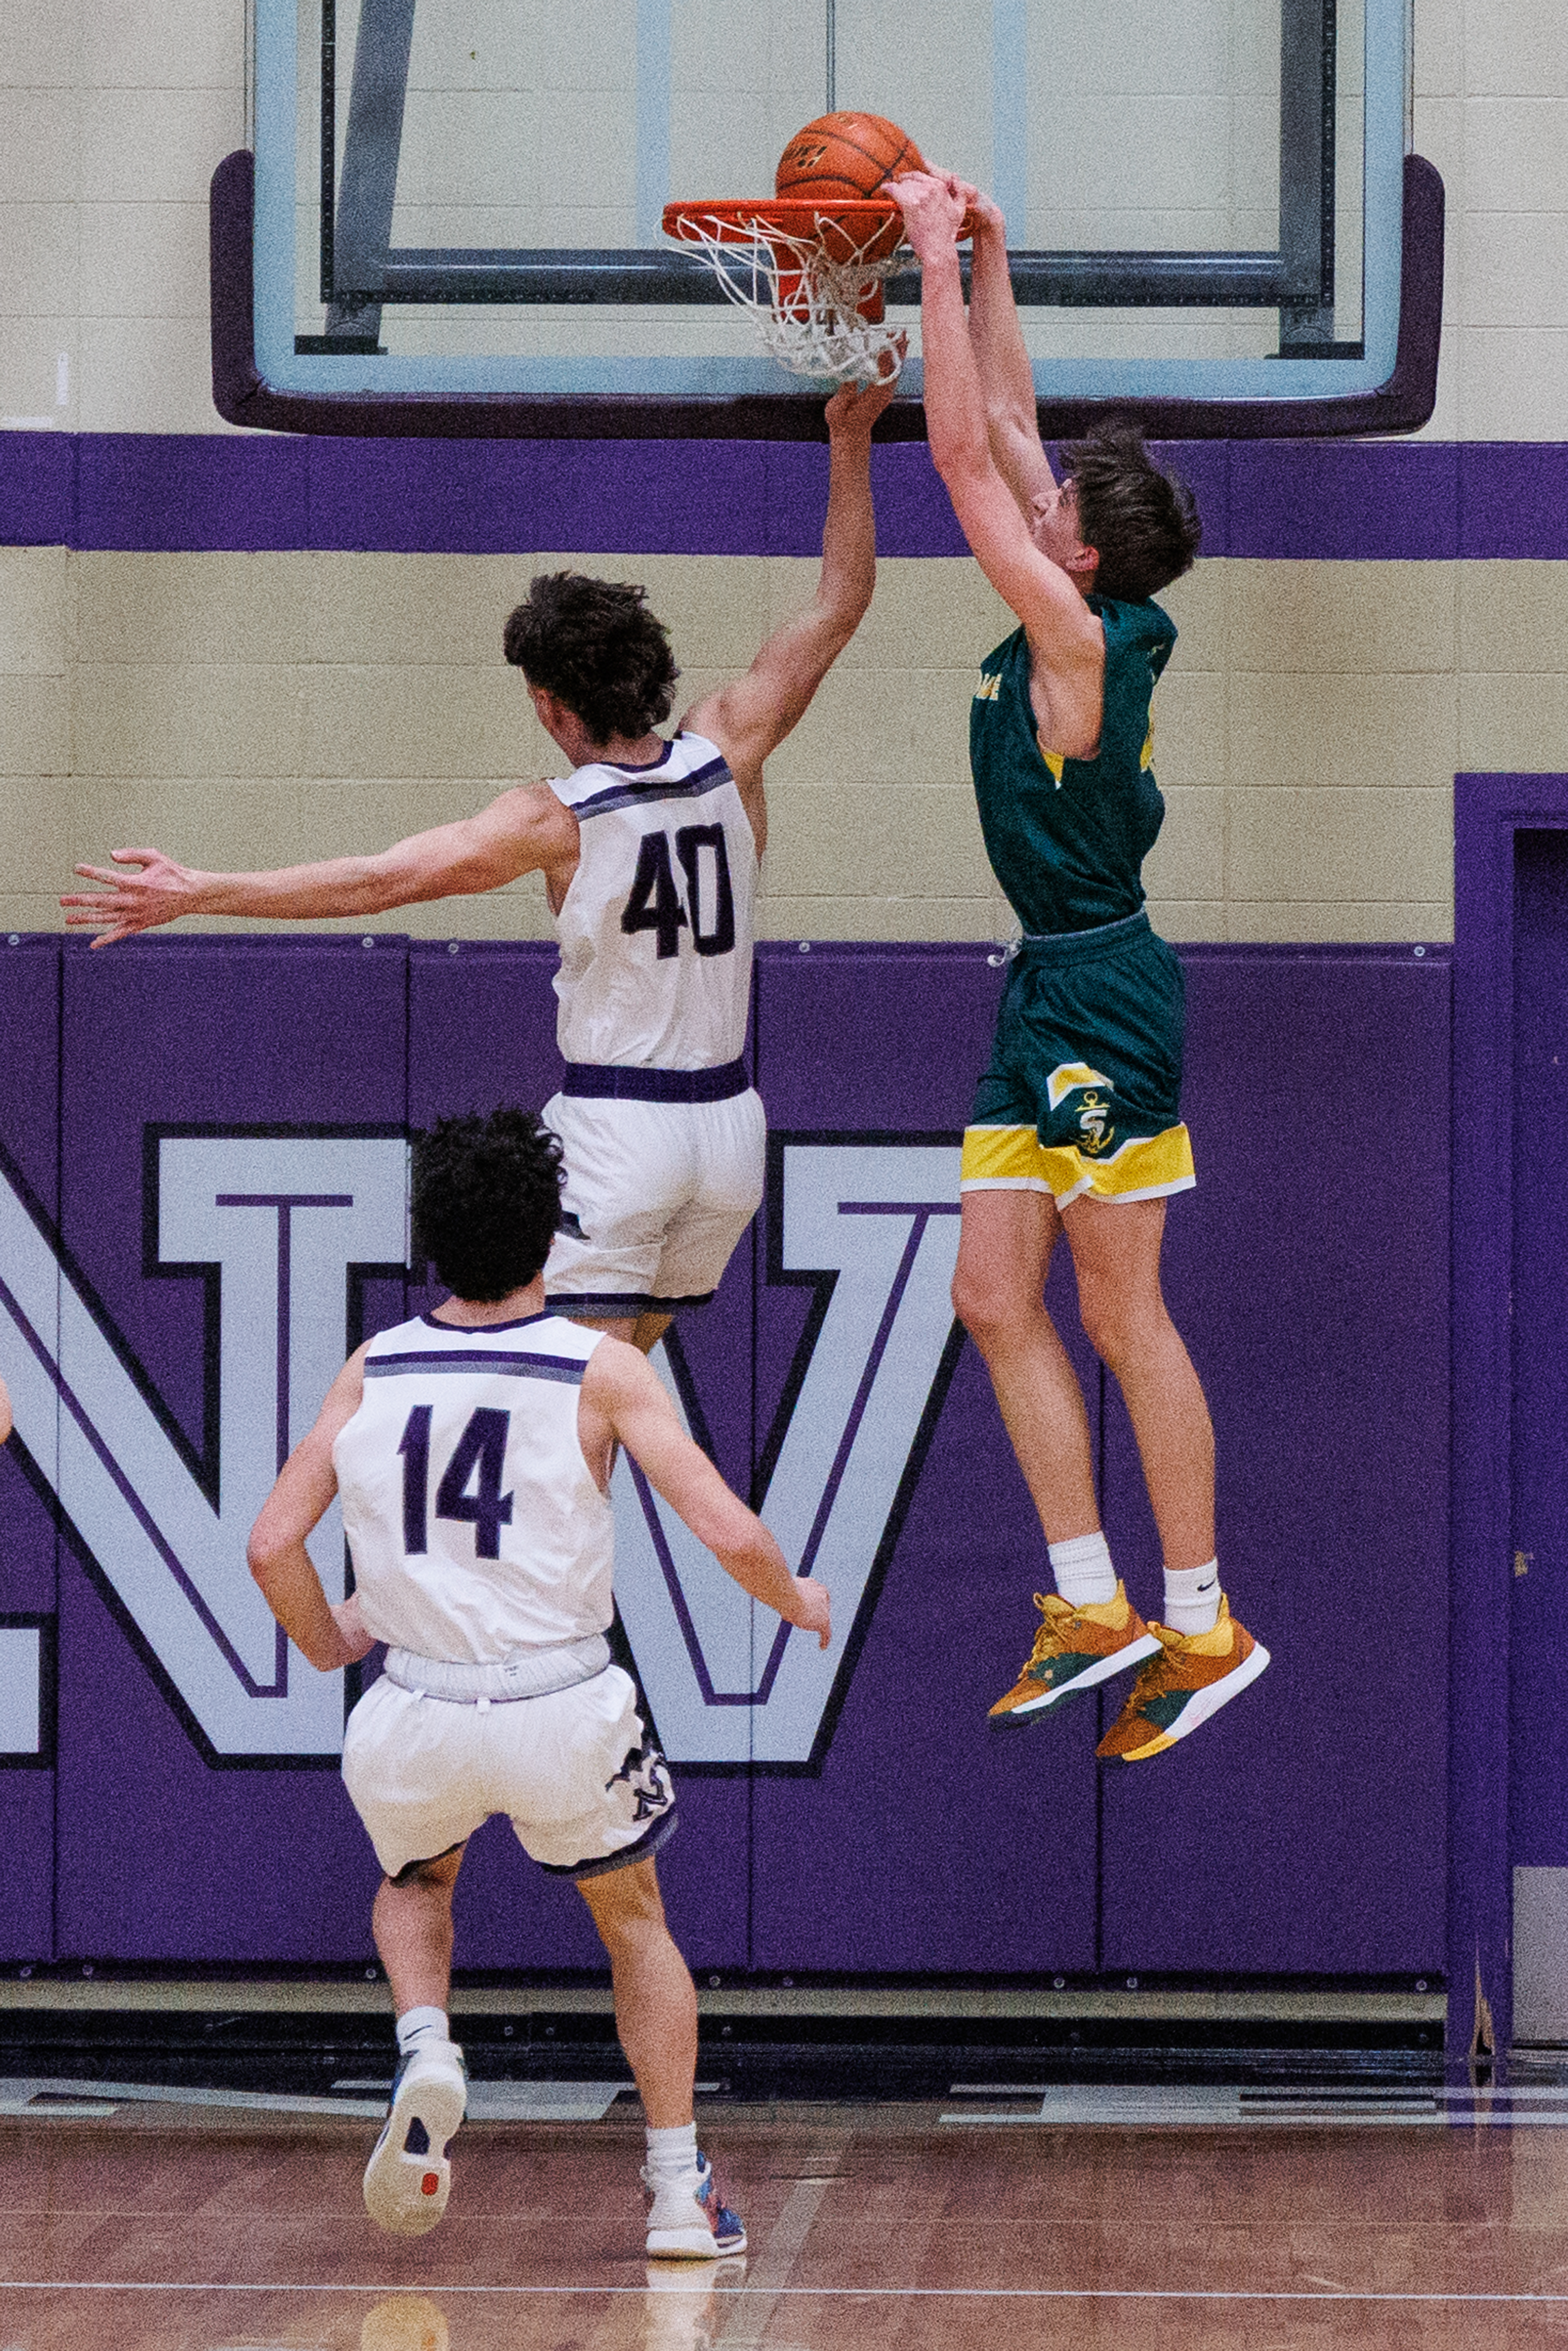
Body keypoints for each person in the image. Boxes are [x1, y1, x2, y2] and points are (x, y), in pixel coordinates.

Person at [61, 380, 896, 1357]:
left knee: (555, 1408)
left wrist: (203, 891)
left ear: (548, 704)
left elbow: (379, 881)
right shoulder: (729, 742)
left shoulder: (554, 819)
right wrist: (850, 438)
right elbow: (842, 600)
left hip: (620, 1130)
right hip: (729, 1132)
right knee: (617, 1399)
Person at [247, 1107, 829, 2252]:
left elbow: (271, 1544)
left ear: (429, 1242)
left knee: (415, 1884)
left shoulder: (371, 1368)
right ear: (548, 1244)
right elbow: (721, 1524)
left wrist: (328, 1643)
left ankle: (428, 2047)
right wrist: (794, 1597)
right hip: (562, 1703)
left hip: (411, 1705)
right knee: (633, 1922)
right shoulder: (601, 1368)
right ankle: (676, 2191)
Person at [890, 170, 1268, 1762]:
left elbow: (962, 451)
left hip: (1104, 993)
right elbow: (1020, 429)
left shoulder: (1073, 641)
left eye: (1058, 517)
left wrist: (917, 260)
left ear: (1085, 565)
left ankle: (1203, 1620)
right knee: (992, 1295)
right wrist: (990, 254)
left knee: (1125, 1319)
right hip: (1041, 981)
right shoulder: (1091, 598)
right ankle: (1089, 1599)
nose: (1039, 500)